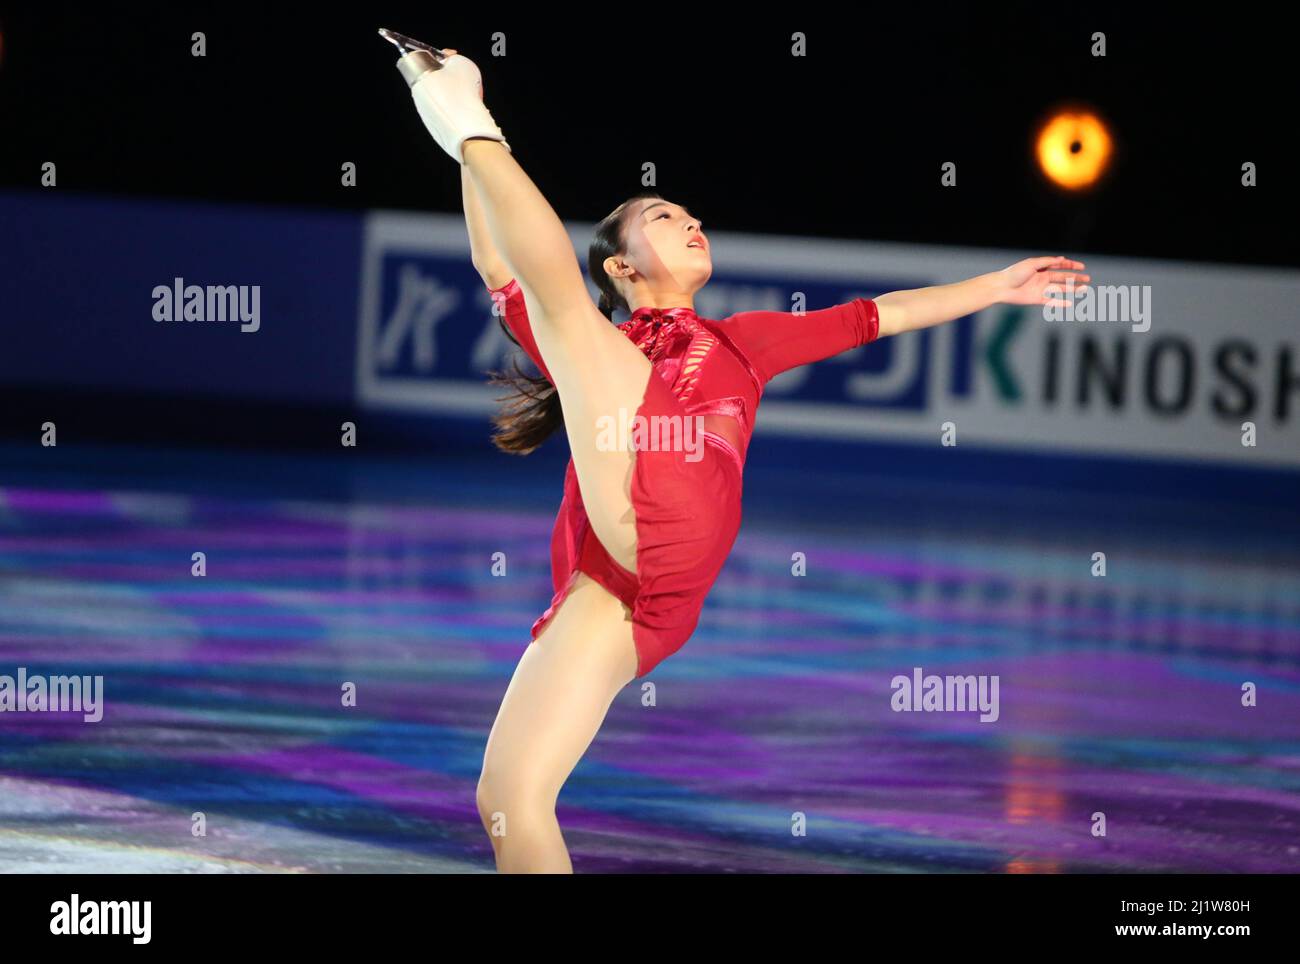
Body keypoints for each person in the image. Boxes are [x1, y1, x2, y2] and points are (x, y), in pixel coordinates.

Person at [409, 47, 1089, 872]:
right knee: (509, 797)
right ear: (621, 266)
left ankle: (472, 119)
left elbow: (885, 314)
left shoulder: (742, 342)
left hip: (679, 521)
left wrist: (998, 285)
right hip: (619, 590)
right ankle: (467, 123)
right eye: (664, 216)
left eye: (690, 215)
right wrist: (454, 137)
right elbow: (496, 264)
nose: (690, 220)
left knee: (564, 317)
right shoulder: (600, 347)